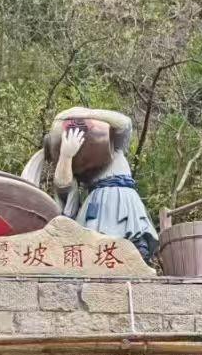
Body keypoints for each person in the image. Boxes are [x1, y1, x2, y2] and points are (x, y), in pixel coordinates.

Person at [21, 108, 159, 262]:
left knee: (136, 243)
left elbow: (125, 123)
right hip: (96, 204)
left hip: (122, 197)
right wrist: (66, 156)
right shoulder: (80, 165)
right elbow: (63, 187)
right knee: (94, 250)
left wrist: (81, 114)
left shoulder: (114, 142)